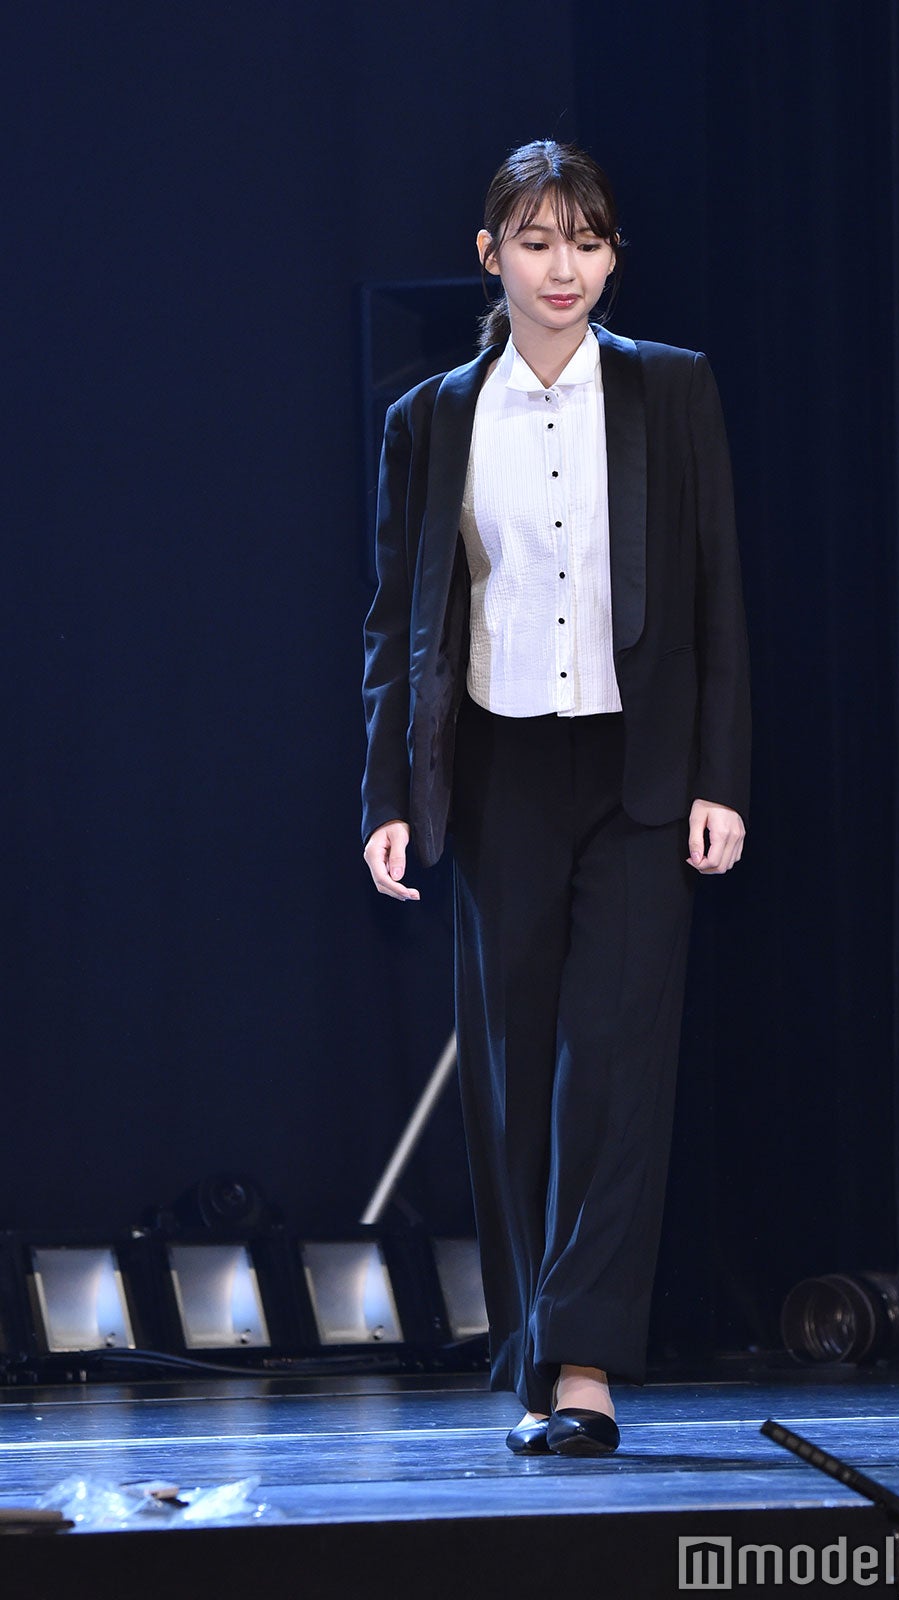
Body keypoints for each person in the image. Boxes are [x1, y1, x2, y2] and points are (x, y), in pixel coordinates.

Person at [361, 139, 750, 1457]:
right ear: (491, 257)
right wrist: (389, 793)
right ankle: (535, 1347)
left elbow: (716, 595)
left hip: (639, 771)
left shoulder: (669, 390)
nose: (563, 267)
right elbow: (398, 627)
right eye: (535, 242)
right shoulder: (430, 419)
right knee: (515, 1074)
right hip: (498, 769)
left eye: (585, 241)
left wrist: (719, 779)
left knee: (617, 1070)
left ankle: (583, 1364)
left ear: (613, 252)